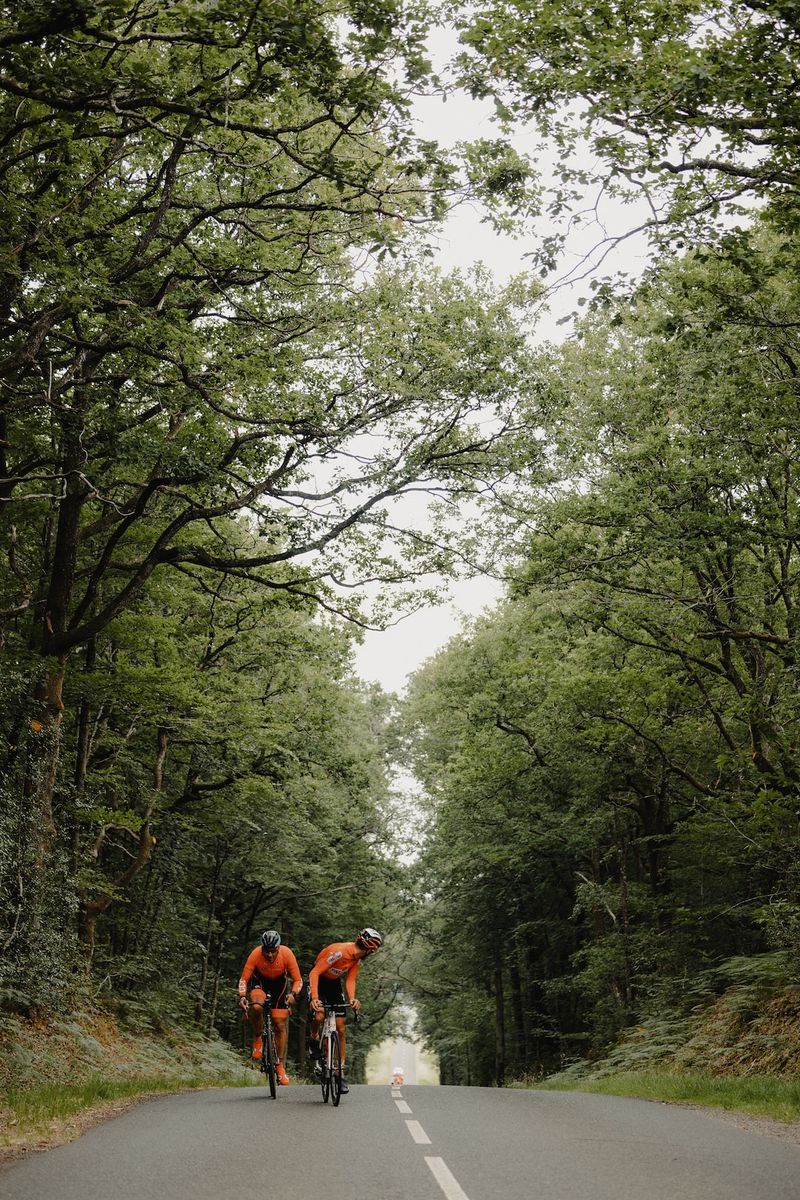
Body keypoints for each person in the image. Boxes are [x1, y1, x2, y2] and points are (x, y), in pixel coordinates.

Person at [307, 926, 382, 1095]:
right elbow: (315, 972)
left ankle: (339, 1073)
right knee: (319, 1015)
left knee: (340, 1028)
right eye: (373, 950)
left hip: (333, 984)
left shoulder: (356, 960)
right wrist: (314, 998)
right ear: (369, 948)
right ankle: (314, 1039)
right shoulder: (340, 952)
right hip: (318, 980)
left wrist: (352, 999)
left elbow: (350, 981)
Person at [238, 929, 302, 1085]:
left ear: (278, 948)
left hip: (279, 986)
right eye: (267, 951)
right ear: (262, 949)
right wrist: (242, 997)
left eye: (273, 951)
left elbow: (298, 980)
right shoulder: (255, 954)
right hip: (260, 983)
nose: (270, 955)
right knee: (258, 1007)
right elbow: (244, 980)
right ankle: (258, 1038)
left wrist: (293, 994)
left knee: (279, 1024)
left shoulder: (287, 954)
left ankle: (279, 1065)